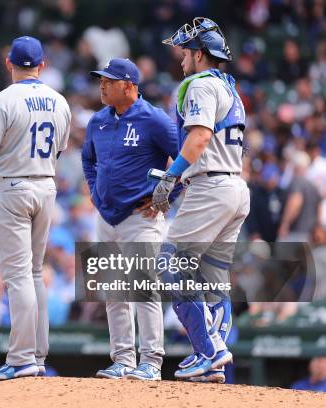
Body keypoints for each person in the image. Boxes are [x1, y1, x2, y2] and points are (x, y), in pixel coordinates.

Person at [152, 17, 250, 382]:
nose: (180, 60)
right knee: (213, 278)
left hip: (210, 187)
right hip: (234, 187)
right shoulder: (229, 88)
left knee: (170, 264)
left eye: (183, 53)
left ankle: (209, 351)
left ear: (198, 53)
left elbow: (198, 140)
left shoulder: (201, 85)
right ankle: (212, 358)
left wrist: (171, 176)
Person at [0, 36, 71, 381]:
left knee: (16, 276)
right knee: (33, 273)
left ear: (9, 63)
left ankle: (22, 357)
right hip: (45, 187)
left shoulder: (1, 101)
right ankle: (37, 354)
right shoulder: (60, 102)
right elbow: (56, 151)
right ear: (41, 65)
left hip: (10, 188)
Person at [82, 58, 179, 381]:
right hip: (106, 216)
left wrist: (166, 197)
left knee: (144, 288)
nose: (102, 86)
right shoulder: (98, 120)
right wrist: (95, 194)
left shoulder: (154, 119)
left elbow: (184, 162)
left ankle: (151, 360)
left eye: (108, 81)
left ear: (128, 85)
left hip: (141, 215)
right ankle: (122, 358)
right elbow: (88, 160)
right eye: (101, 80)